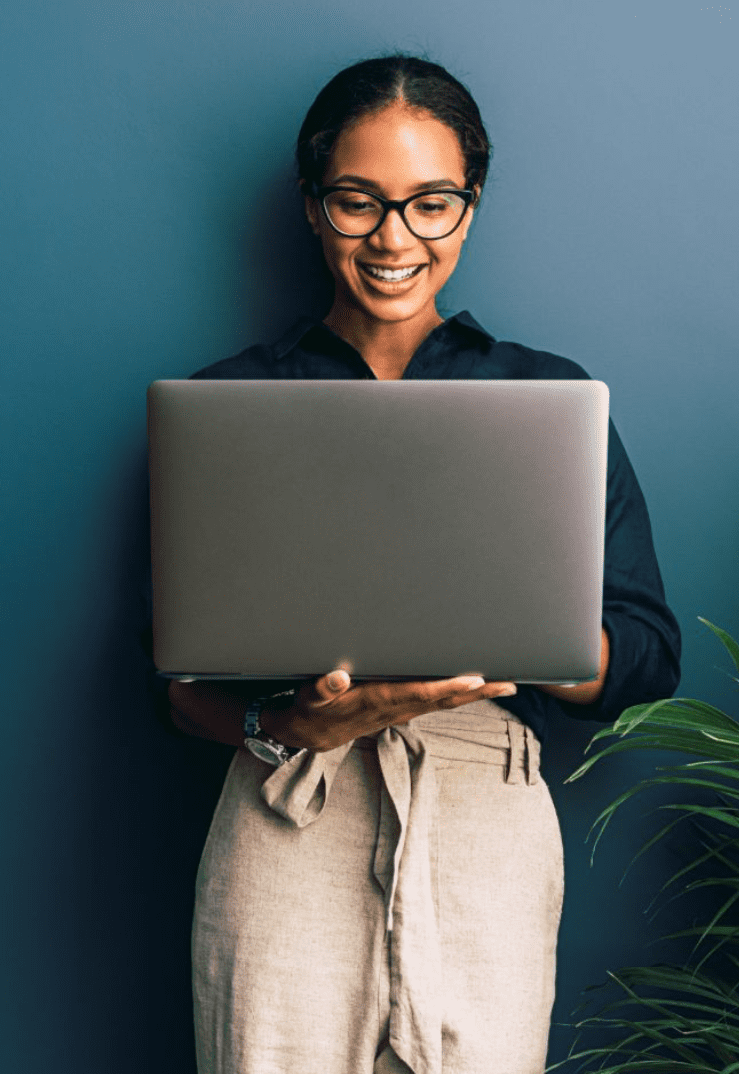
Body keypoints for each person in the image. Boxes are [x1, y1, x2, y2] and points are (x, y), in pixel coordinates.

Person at [160, 55, 681, 1074]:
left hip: (484, 809)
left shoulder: (546, 398)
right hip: (289, 806)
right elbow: (177, 685)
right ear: (315, 209)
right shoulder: (232, 404)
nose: (394, 238)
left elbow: (648, 656)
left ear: (469, 209)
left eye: (430, 204)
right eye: (358, 201)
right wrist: (292, 725)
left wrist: (527, 636)